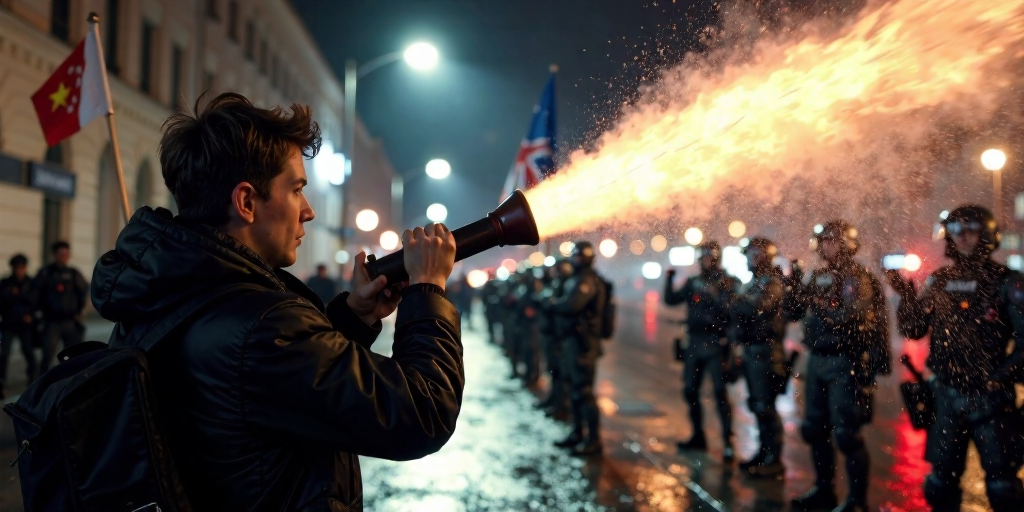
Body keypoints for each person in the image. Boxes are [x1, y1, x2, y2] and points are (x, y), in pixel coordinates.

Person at [90, 93, 463, 511]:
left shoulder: (170, 292)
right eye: (296, 190)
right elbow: (421, 412)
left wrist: (352, 317)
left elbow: (270, 387)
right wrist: (428, 288)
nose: (308, 212)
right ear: (246, 202)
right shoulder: (263, 325)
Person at [888, 205, 1024, 512]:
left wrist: (998, 379)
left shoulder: (1006, 280)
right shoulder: (940, 280)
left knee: (1003, 486)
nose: (963, 239)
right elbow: (914, 330)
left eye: (971, 231)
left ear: (986, 235)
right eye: (956, 232)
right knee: (940, 483)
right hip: (946, 395)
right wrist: (906, 298)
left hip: (990, 398)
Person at [785, 220, 890, 512]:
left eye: (833, 240)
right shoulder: (817, 275)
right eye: (825, 241)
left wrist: (821, 306)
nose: (828, 246)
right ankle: (823, 490)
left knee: (846, 434)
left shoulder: (858, 277)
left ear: (847, 244)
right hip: (817, 359)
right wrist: (793, 284)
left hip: (847, 361)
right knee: (815, 429)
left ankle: (857, 501)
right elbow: (794, 311)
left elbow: (851, 317)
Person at [664, 240, 739, 462]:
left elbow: (731, 313)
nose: (705, 261)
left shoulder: (727, 282)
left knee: (719, 394)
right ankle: (698, 436)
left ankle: (727, 442)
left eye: (708, 257)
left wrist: (731, 347)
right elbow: (671, 300)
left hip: (716, 343)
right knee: (690, 391)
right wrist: (668, 279)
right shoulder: (694, 281)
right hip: (695, 343)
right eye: (702, 257)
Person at [731, 237, 787, 477]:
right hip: (753, 350)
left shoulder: (771, 283)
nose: (748, 259)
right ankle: (764, 453)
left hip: (766, 352)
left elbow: (756, 309)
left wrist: (734, 299)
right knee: (757, 405)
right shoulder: (754, 282)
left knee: (765, 407)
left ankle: (773, 459)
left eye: (753, 254)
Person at [548, 241, 607, 456]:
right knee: (574, 390)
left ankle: (593, 441)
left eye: (579, 256)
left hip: (583, 344)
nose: (576, 260)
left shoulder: (586, 281)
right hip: (573, 342)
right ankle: (577, 434)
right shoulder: (577, 278)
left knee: (583, 392)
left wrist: (554, 303)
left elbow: (571, 305)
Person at [36, 241, 88, 373]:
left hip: (70, 321)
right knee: (47, 355)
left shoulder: (73, 273)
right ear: (55, 255)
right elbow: (35, 293)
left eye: (66, 254)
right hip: (51, 322)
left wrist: (80, 310)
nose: (64, 257)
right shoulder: (45, 273)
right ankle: (41, 385)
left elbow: (83, 291)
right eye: (61, 254)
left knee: (72, 355)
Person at [0, 254, 38, 396]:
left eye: (21, 268)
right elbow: (3, 300)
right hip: (8, 323)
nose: (19, 271)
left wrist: (31, 315)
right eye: (16, 268)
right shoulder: (6, 282)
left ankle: (33, 380)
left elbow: (35, 301)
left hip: (25, 324)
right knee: (4, 354)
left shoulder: (30, 283)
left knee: (28, 352)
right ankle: (1, 382)